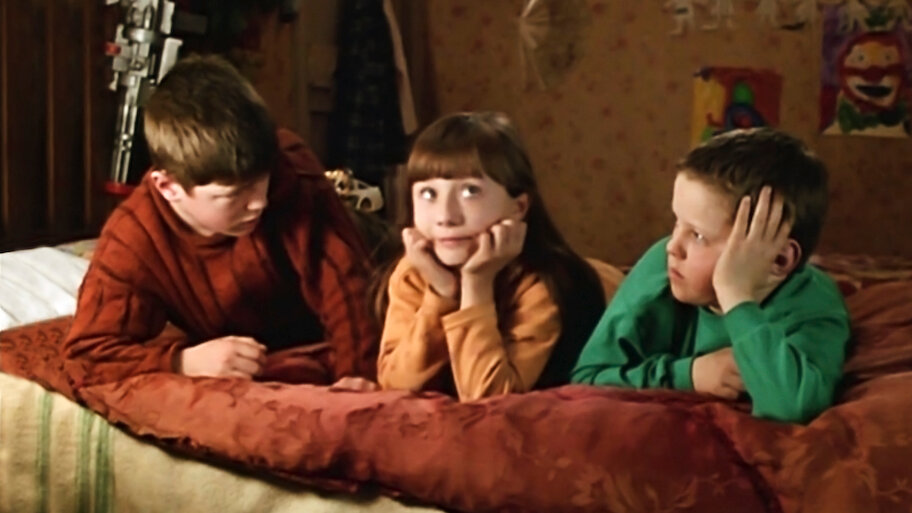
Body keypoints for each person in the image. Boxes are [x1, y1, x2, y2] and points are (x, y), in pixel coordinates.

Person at [63, 54, 378, 389]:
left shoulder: (291, 170)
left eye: (262, 181)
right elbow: (87, 358)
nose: (259, 202)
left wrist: (357, 375)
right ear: (168, 187)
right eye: (235, 193)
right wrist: (183, 362)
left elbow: (351, 288)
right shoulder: (134, 238)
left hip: (372, 247)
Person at [571, 128, 850, 424]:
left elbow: (792, 407)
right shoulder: (661, 266)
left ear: (778, 259)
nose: (673, 247)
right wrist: (689, 374)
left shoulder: (814, 305)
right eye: (677, 223)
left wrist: (736, 294)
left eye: (698, 235)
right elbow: (587, 378)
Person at [376, 111, 624, 401]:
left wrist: (476, 284)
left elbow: (489, 398)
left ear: (518, 207)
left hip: (611, 287)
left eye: (470, 191)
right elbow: (395, 384)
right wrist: (441, 295)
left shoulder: (542, 284)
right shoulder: (416, 271)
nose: (446, 216)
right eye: (429, 194)